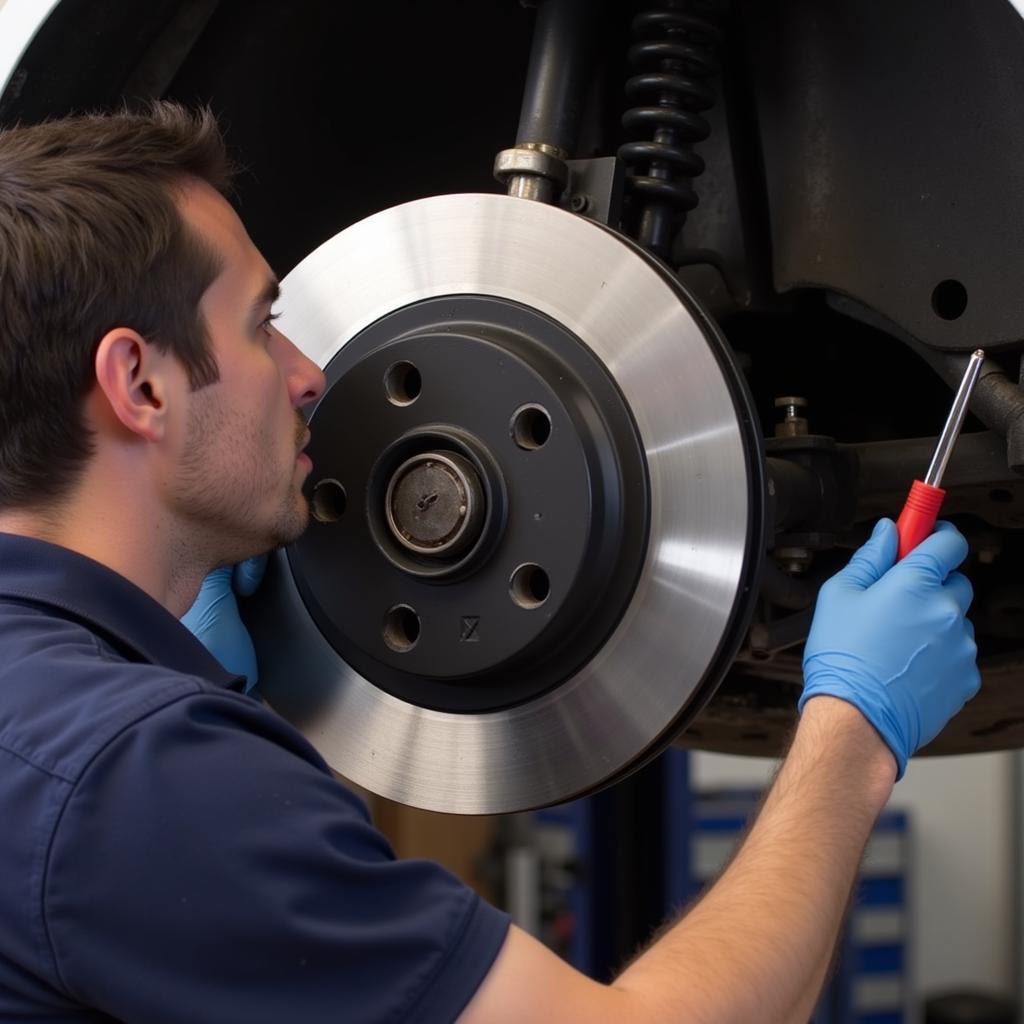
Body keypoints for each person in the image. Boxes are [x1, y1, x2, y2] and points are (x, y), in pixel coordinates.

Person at [0, 103, 978, 1024]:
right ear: (138, 381)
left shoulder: (53, 715)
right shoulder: (137, 779)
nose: (307, 375)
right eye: (262, 324)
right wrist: (854, 728)